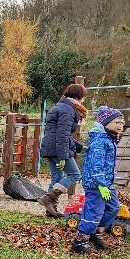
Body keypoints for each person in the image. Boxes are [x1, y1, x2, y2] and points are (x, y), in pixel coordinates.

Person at [72, 106, 125, 254]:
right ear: (105, 123)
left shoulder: (109, 138)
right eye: (117, 122)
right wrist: (101, 184)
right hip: (96, 184)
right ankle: (80, 241)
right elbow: (96, 165)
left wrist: (106, 183)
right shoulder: (99, 141)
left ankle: (95, 232)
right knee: (94, 210)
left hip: (106, 183)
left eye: (122, 122)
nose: (120, 125)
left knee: (113, 207)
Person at [37, 84, 88, 217]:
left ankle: (50, 211)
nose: (83, 100)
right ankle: (49, 198)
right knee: (75, 175)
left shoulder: (61, 106)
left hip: (51, 146)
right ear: (78, 96)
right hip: (58, 148)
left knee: (57, 177)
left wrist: (80, 147)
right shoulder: (68, 110)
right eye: (83, 97)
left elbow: (59, 134)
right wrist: (63, 156)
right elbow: (62, 136)